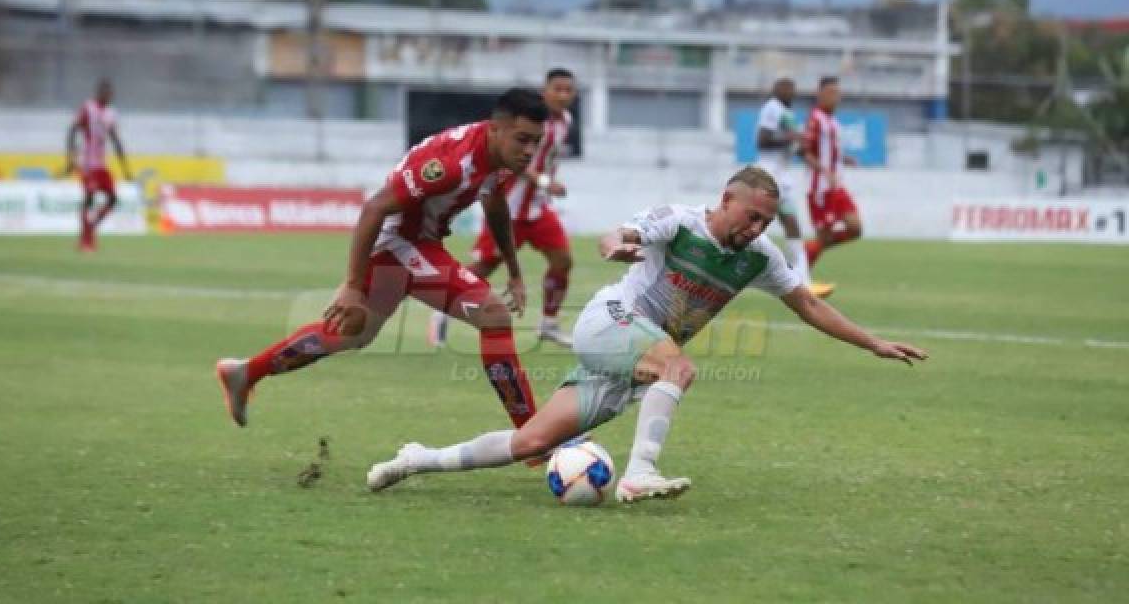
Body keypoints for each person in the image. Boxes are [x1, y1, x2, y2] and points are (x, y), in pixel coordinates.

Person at [366, 166, 927, 503]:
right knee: (679, 367)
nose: (755, 229)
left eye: (765, 222)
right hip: (611, 321)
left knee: (533, 443)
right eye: (749, 216)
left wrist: (872, 342)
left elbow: (807, 305)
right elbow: (621, 233)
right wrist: (618, 245)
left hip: (633, 357)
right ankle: (639, 474)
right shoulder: (680, 221)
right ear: (725, 201)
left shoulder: (759, 257)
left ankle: (416, 458)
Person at [216, 88, 551, 431]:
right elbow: (375, 207)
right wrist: (352, 286)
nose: (529, 151)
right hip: (401, 241)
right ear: (496, 128)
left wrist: (513, 269)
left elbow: (494, 203)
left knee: (352, 335)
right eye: (522, 140)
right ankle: (535, 437)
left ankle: (246, 372)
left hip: (417, 241)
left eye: (535, 143)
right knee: (493, 315)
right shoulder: (452, 165)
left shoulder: (498, 156)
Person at [428, 68, 577, 348]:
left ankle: (549, 323)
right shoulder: (527, 121)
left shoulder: (565, 121)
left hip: (538, 208)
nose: (563, 95)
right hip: (509, 206)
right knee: (486, 265)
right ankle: (441, 307)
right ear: (545, 91)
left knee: (562, 261)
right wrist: (545, 180)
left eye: (569, 90)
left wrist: (544, 185)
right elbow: (515, 161)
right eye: (558, 89)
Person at [755, 78, 834, 298]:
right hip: (769, 174)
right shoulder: (773, 108)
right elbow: (763, 140)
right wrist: (791, 137)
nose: (791, 93)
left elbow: (797, 148)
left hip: (782, 177)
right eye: (787, 89)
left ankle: (803, 279)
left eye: (792, 89)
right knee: (757, 222)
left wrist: (821, 167)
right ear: (777, 90)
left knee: (791, 224)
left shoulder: (788, 114)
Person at [64, 79, 132, 252]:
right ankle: (86, 241)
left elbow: (115, 139)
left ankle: (90, 229)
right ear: (100, 93)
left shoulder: (110, 113)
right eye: (108, 93)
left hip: (101, 164)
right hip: (88, 163)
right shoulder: (88, 108)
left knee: (113, 199)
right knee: (90, 198)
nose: (110, 97)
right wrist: (71, 158)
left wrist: (125, 168)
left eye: (111, 94)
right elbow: (72, 130)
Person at [801, 76, 862, 268]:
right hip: (820, 188)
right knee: (824, 238)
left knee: (855, 228)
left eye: (837, 93)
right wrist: (824, 171)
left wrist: (844, 159)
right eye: (830, 93)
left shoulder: (833, 121)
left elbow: (830, 151)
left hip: (836, 185)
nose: (834, 97)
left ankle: (803, 255)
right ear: (819, 94)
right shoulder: (815, 119)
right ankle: (801, 274)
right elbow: (804, 152)